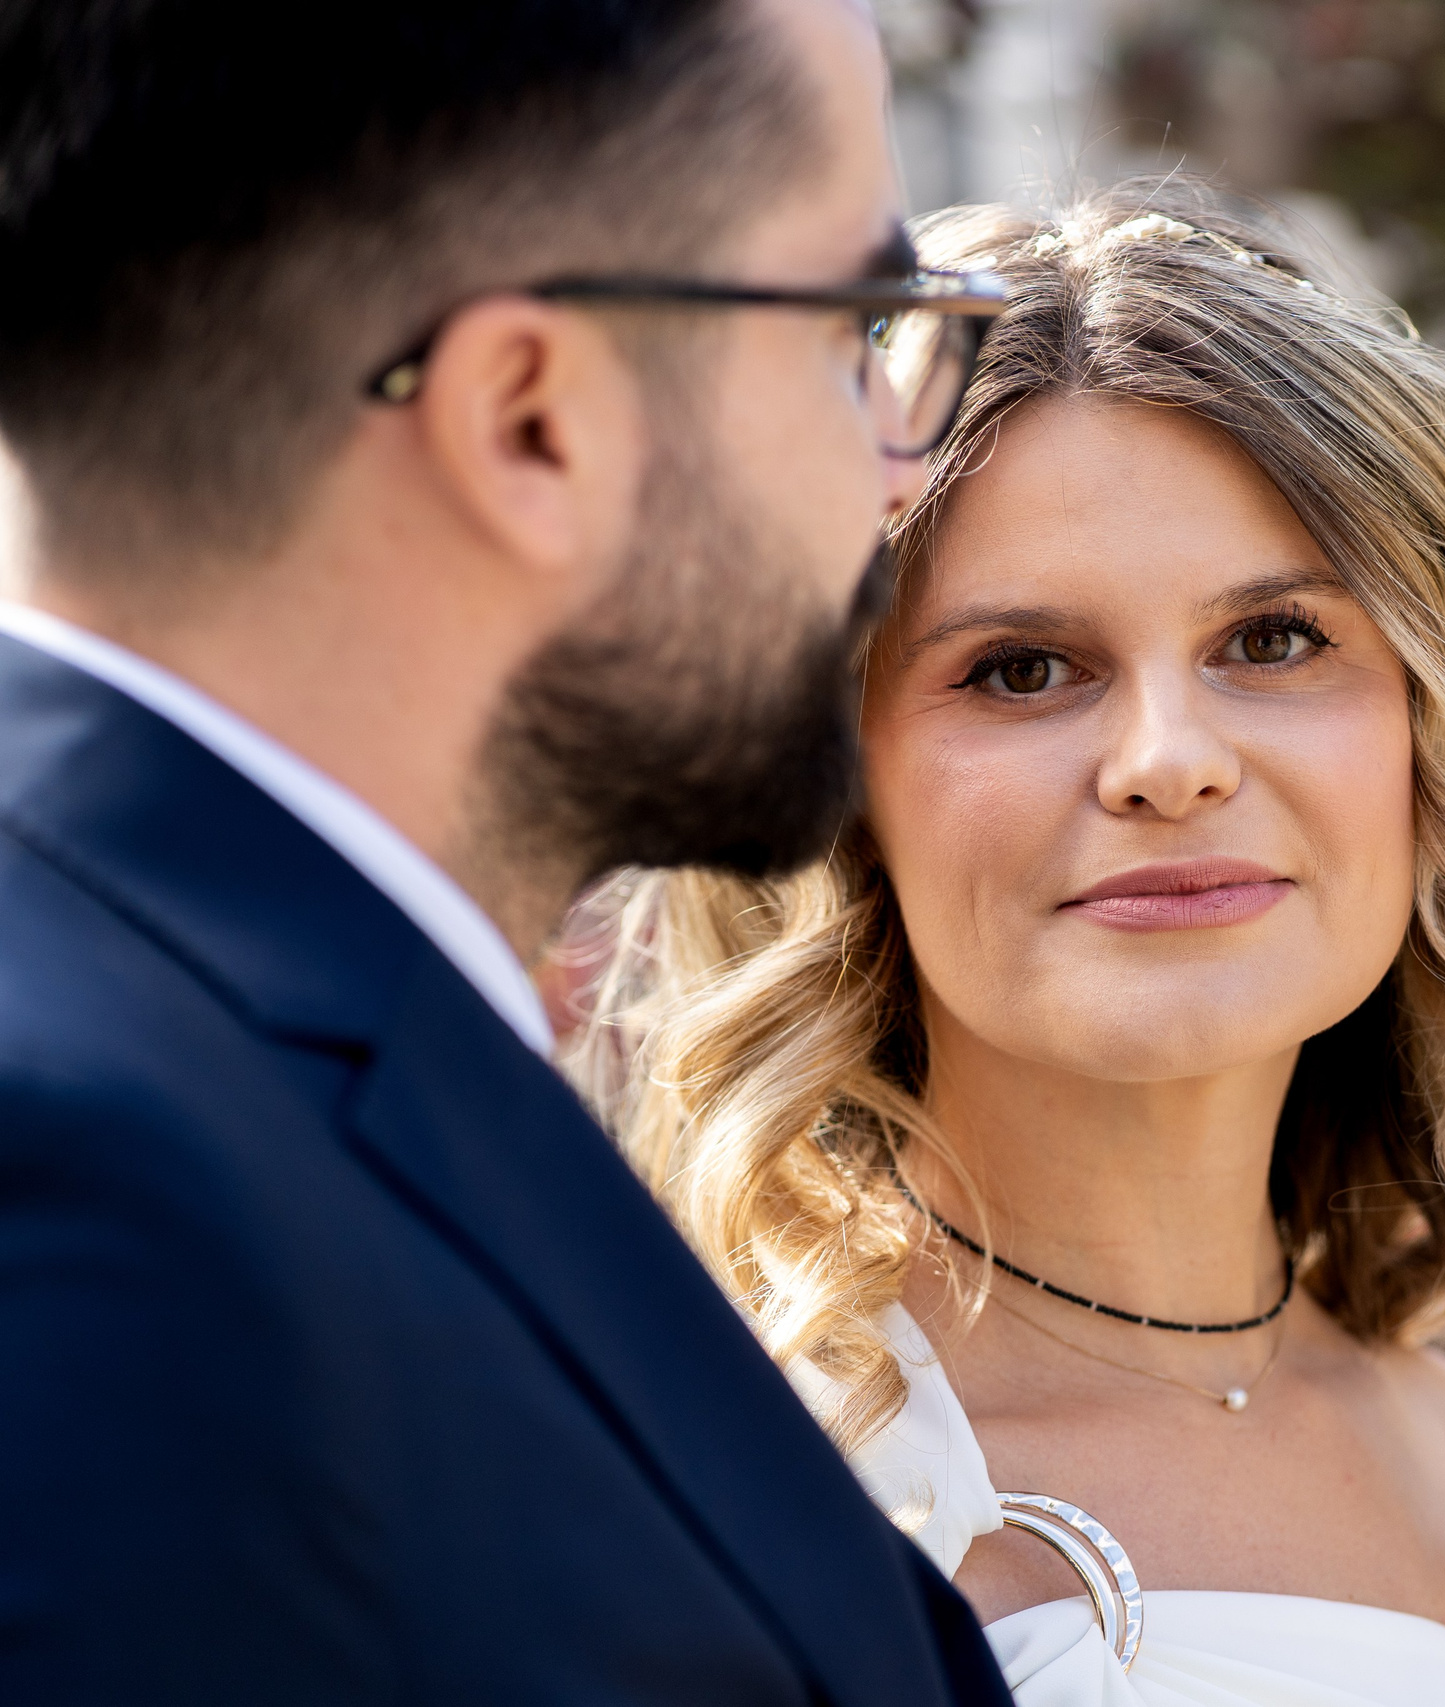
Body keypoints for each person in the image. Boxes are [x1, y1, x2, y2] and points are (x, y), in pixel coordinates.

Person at [0, 2, 1008, 1701]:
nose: (895, 475)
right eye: (857, 335)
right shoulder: (86, 1198)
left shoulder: (233, 1057)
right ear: (535, 420)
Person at [576, 182, 1445, 1705]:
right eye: (1021, 669)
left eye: (1274, 642)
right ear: (841, 787)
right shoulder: (737, 1488)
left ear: (1431, 735)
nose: (1170, 759)